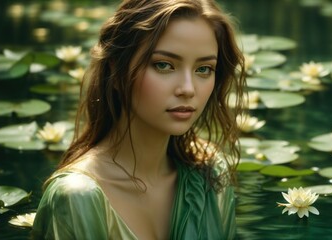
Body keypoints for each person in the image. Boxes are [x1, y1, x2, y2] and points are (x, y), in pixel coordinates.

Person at [32, 0, 246, 239]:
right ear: (117, 69)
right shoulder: (76, 197)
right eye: (163, 65)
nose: (188, 89)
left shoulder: (210, 175)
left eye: (204, 69)